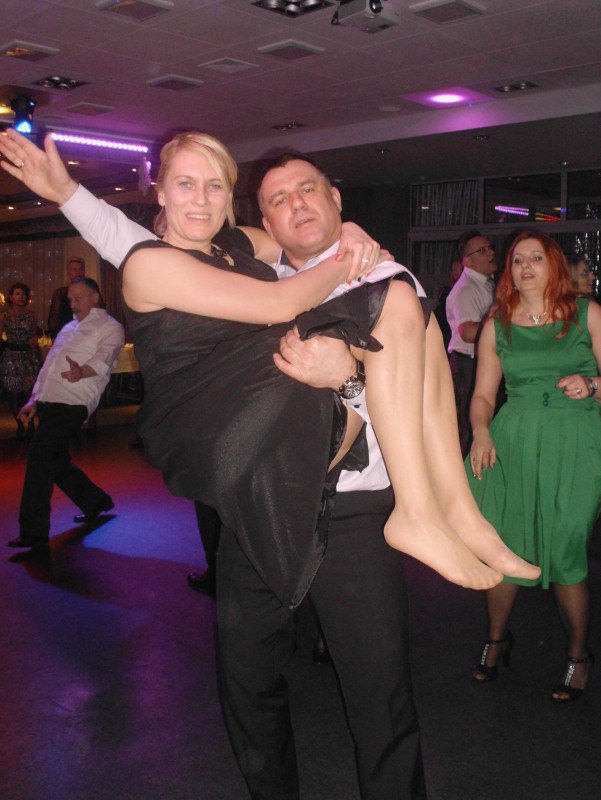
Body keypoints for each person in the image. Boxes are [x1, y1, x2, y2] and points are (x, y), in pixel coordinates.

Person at [1, 128, 539, 800]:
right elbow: (156, 252)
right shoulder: (160, 263)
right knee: (249, 686)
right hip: (249, 475)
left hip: (348, 501)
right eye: (185, 184)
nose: (201, 198)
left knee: (381, 698)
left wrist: (348, 357)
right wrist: (68, 193)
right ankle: (429, 509)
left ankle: (447, 506)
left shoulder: (251, 249)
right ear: (158, 192)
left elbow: (286, 269)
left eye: (216, 185)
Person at [467, 230, 601, 703]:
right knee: (505, 546)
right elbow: (483, 396)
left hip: (576, 441)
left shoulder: (587, 313)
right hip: (515, 442)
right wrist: (480, 431)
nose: (525, 266)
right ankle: (496, 640)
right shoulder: (497, 324)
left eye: (536, 258)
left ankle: (579, 654)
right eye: (517, 259)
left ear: (554, 264)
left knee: (565, 549)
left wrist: (593, 384)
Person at [7, 277, 124, 549]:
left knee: (40, 454)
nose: (72, 303)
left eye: (78, 298)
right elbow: (48, 367)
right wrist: (33, 400)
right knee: (55, 459)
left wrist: (81, 371)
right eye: (70, 299)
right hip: (49, 400)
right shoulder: (68, 328)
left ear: (95, 297)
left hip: (74, 402)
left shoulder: (110, 327)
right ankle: (96, 502)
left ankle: (34, 530)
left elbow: (104, 359)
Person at [446, 232, 497, 455]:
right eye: (482, 250)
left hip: (477, 362)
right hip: (469, 364)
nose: (491, 253)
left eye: (490, 247)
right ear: (468, 260)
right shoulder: (467, 289)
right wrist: (503, 327)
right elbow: (467, 332)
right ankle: (469, 469)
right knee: (473, 426)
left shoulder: (486, 284)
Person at [0, 282, 39, 439]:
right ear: (11, 297)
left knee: (29, 393)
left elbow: (34, 335)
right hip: (11, 357)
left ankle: (30, 423)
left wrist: (34, 340)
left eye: (23, 294)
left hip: (28, 357)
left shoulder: (31, 315)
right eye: (17, 294)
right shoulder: (4, 316)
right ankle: (20, 424)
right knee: (14, 395)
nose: (21, 297)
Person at [47, 256, 86, 338]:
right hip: (65, 336)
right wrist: (55, 337)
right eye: (74, 269)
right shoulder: (61, 293)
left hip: (85, 335)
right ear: (69, 272)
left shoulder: (90, 293)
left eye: (80, 269)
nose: (78, 272)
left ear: (84, 272)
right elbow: (53, 318)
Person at [434, 257, 462, 350]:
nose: (459, 272)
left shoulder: (462, 291)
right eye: (455, 269)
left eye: (461, 269)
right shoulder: (447, 291)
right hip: (446, 333)